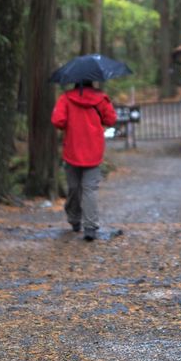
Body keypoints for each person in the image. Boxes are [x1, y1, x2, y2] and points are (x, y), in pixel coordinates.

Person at [51, 80, 117, 241]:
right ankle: (90, 227)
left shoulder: (65, 98)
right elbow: (111, 120)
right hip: (94, 150)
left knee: (74, 187)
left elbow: (57, 121)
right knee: (90, 189)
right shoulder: (101, 98)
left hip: (72, 149)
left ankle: (74, 219)